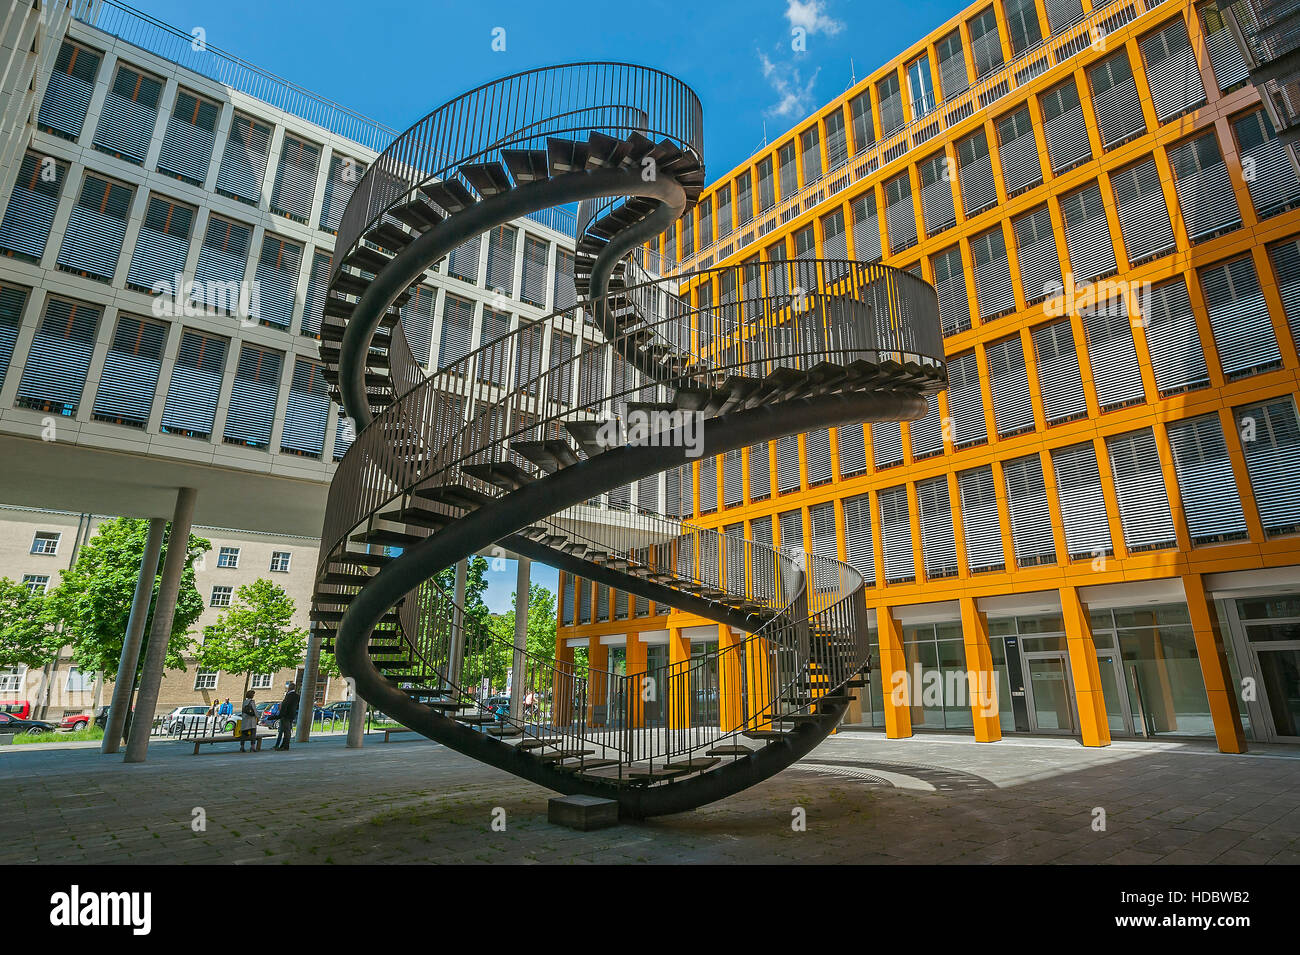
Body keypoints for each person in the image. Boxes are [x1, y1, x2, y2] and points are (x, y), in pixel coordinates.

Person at [274, 681, 300, 750]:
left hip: (286, 715)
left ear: (289, 688)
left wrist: (281, 714)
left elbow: (285, 706)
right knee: (286, 730)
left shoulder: (288, 696)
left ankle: (285, 746)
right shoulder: (297, 696)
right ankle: (283, 745)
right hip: (292, 715)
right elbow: (297, 706)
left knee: (286, 731)